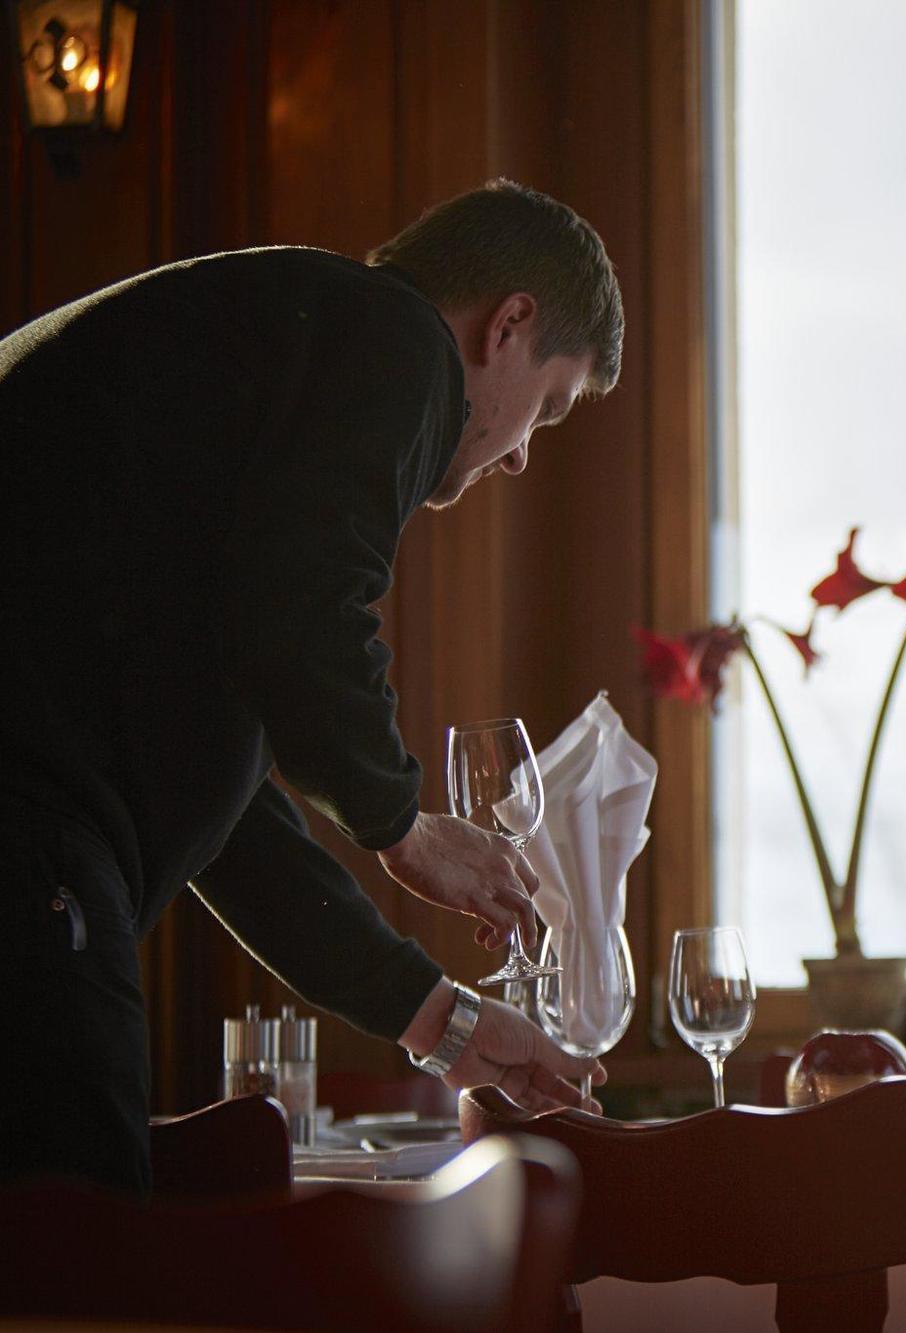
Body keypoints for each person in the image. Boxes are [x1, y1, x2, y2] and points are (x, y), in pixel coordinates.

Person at [0, 179, 620, 1195]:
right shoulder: (399, 338)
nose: (518, 456)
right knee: (70, 1262)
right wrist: (403, 829)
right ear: (507, 325)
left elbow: (228, 815)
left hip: (41, 840)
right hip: (26, 849)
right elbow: (307, 614)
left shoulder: (251, 386)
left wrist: (446, 1025)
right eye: (545, 410)